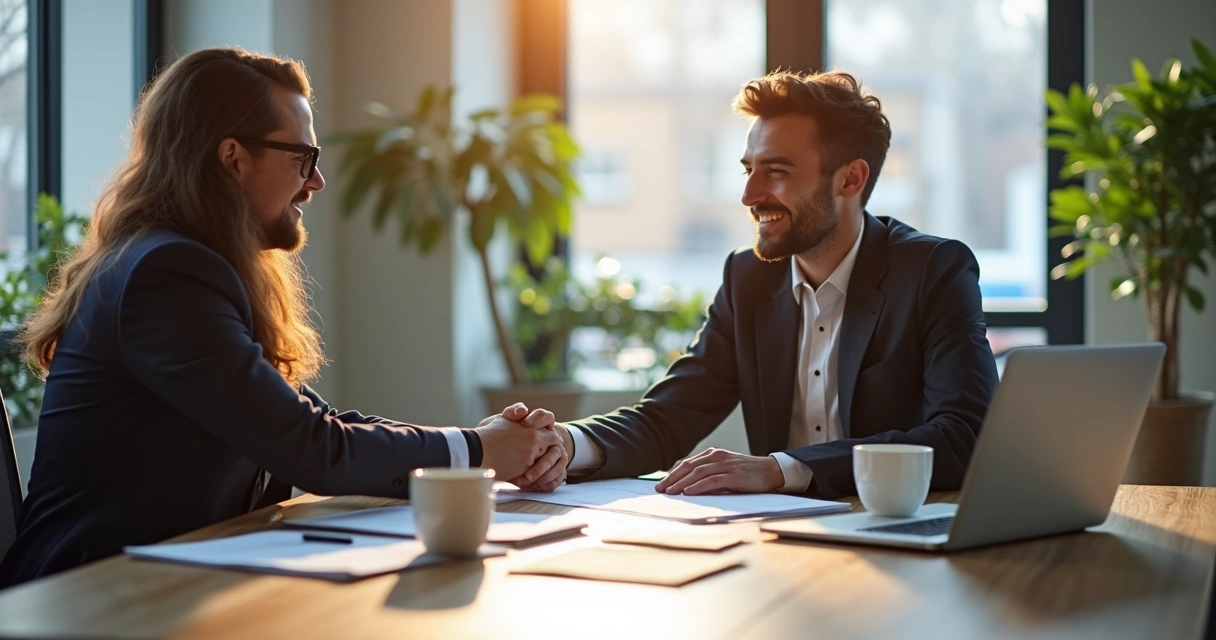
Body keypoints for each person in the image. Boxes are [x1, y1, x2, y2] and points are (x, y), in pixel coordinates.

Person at [0, 48, 565, 587]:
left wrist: (483, 445)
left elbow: (315, 422)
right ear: (232, 157)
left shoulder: (187, 266)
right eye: (303, 159)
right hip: (87, 595)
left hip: (169, 577)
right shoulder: (165, 274)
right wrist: (479, 448)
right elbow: (309, 447)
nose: (316, 181)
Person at [542, 70, 999, 499]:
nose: (749, 196)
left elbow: (963, 436)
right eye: (748, 170)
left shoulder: (931, 271)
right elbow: (667, 419)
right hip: (784, 542)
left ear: (850, 179)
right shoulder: (748, 279)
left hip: (900, 535)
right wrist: (565, 441)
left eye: (776, 172)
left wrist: (780, 469)